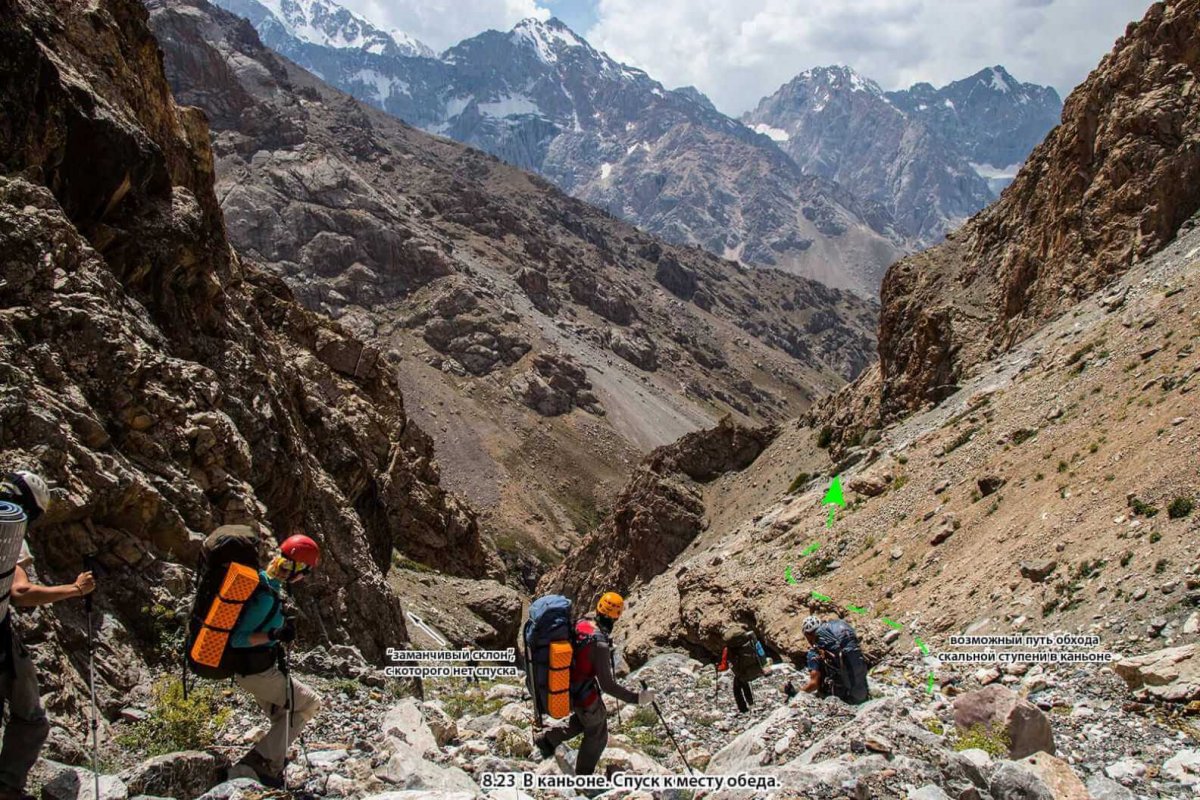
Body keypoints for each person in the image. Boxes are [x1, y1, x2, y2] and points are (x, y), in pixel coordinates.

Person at [0, 471, 95, 800]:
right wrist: (75, 589)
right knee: (31, 718)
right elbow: (21, 591)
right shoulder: (9, 531)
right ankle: (7, 789)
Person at [226, 535, 323, 788]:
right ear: (296, 570)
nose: (305, 577)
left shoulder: (266, 585)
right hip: (255, 672)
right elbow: (237, 639)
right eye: (306, 572)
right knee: (310, 703)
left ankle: (270, 761)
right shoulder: (266, 596)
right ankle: (261, 762)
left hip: (256, 670)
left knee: (285, 714)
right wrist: (274, 634)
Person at [532, 592, 655, 776]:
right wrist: (637, 698)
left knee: (584, 721)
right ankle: (584, 777)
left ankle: (548, 739)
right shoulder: (600, 644)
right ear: (616, 616)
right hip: (584, 694)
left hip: (565, 684)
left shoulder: (582, 624)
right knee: (598, 733)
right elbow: (608, 685)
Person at [800, 615, 869, 705]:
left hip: (840, 695)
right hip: (860, 675)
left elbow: (814, 684)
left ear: (808, 634)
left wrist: (799, 695)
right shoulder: (837, 630)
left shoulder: (814, 652)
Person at [717, 624, 767, 713]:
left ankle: (743, 708)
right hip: (757, 668)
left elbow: (724, 667)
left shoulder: (728, 649)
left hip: (743, 673)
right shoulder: (750, 642)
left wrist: (718, 668)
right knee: (743, 681)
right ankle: (751, 702)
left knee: (737, 687)